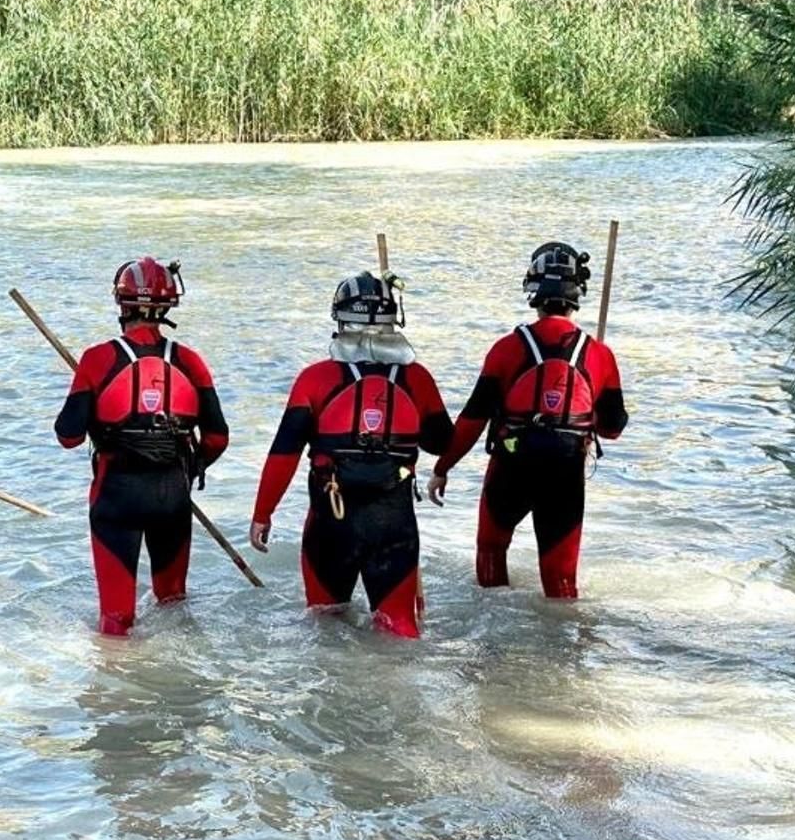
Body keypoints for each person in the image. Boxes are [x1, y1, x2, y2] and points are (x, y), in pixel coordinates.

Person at [248, 272, 453, 637]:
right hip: (394, 522)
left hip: (331, 521)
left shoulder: (314, 379)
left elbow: (284, 453)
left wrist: (263, 514)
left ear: (340, 320)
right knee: (399, 631)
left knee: (325, 629)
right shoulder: (418, 379)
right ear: (393, 320)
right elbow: (441, 443)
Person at [428, 242, 627, 598]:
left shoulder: (506, 348)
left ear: (533, 292)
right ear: (578, 293)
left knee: (491, 553)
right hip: (566, 470)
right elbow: (612, 429)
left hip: (511, 464)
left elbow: (473, 419)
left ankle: (491, 631)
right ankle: (562, 635)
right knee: (561, 581)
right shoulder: (599, 354)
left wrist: (442, 468)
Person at [54, 257, 229, 636]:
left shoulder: (97, 359)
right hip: (173, 495)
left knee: (116, 620)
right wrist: (188, 468)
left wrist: (98, 407)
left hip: (116, 496)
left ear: (121, 303)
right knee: (173, 606)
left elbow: (68, 437)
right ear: (168, 305)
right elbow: (218, 438)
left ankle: (117, 671)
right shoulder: (190, 361)